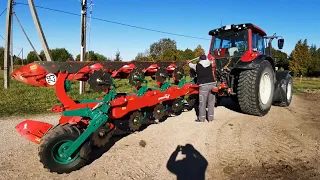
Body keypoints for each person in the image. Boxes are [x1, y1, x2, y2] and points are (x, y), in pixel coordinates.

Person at [188, 54, 216, 122]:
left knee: (202, 103)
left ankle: (202, 118)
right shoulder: (209, 64)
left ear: (200, 60)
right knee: (211, 103)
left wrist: (188, 62)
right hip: (212, 84)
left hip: (203, 86)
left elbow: (191, 65)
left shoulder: (197, 65)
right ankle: (210, 118)